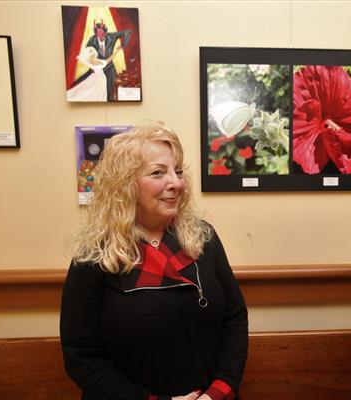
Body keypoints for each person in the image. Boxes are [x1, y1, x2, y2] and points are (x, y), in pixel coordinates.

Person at [61, 122, 248, 400]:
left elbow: (234, 318)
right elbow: (82, 357)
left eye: (178, 171)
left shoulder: (204, 237)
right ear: (125, 185)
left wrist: (217, 392)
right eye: (159, 172)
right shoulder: (94, 257)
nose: (176, 183)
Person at [84, 19, 132, 101]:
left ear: (105, 32)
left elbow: (128, 31)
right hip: (97, 70)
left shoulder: (112, 36)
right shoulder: (92, 40)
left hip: (109, 69)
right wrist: (92, 63)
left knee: (109, 93)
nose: (100, 35)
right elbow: (87, 53)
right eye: (98, 32)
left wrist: (123, 45)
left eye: (102, 32)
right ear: (95, 33)